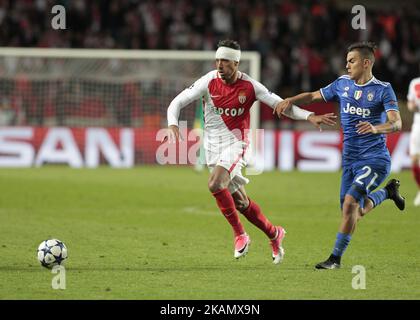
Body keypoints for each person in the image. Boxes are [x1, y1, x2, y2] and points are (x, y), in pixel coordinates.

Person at [163, 39, 337, 264]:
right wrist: (172, 124)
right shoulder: (208, 81)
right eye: (217, 60)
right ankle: (275, 234)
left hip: (236, 143)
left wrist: (309, 116)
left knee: (215, 184)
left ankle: (240, 235)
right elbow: (176, 103)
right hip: (212, 147)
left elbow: (281, 105)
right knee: (241, 203)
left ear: (236, 63)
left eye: (224, 61)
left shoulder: (251, 87)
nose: (219, 65)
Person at [274, 41, 406, 269]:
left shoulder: (383, 89)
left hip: (374, 160)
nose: (347, 66)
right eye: (346, 61)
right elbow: (314, 96)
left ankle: (335, 259)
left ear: (366, 63)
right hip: (350, 161)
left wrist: (376, 128)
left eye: (352, 61)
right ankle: (387, 192)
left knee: (350, 204)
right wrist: (290, 100)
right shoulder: (342, 84)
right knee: (356, 211)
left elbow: (396, 123)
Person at [407, 75, 420, 206]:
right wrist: (412, 106)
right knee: (414, 160)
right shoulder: (415, 82)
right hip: (418, 126)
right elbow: (410, 102)